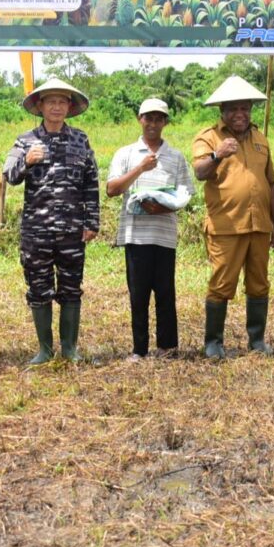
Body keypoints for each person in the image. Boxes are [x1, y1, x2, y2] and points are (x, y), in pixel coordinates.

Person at [3, 79, 99, 364]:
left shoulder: (81, 139)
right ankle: (45, 350)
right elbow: (9, 176)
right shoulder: (25, 141)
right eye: (51, 101)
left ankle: (69, 349)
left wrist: (91, 222)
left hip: (72, 230)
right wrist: (26, 162)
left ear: (69, 107)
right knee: (39, 288)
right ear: (41, 106)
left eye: (62, 102)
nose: (56, 107)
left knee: (71, 288)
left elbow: (91, 182)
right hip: (37, 230)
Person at [192, 76, 274, 358]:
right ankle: (213, 343)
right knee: (221, 284)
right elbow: (199, 172)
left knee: (259, 283)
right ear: (222, 111)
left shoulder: (260, 138)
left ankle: (256, 341)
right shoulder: (208, 138)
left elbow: (271, 183)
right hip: (226, 226)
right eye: (233, 109)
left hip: (259, 226)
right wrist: (217, 155)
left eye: (245, 108)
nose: (240, 114)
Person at [106, 98, 194, 361]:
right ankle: (139, 349)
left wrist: (164, 208)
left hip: (164, 235)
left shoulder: (175, 156)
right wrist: (140, 168)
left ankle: (168, 347)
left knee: (166, 292)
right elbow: (112, 189)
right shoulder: (126, 153)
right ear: (139, 119)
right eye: (148, 118)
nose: (153, 123)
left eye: (159, 118)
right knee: (138, 294)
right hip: (135, 235)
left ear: (165, 122)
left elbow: (186, 193)